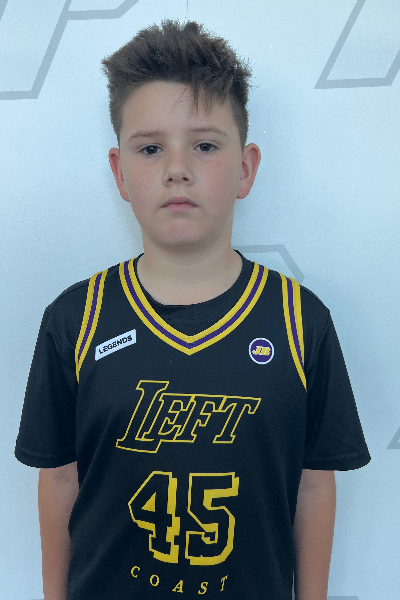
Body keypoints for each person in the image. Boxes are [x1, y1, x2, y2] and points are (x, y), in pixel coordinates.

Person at [15, 19, 371, 600]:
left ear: (245, 168)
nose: (176, 168)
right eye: (151, 148)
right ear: (120, 173)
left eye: (204, 145)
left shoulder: (300, 321)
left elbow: (313, 484)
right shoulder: (75, 319)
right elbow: (57, 479)